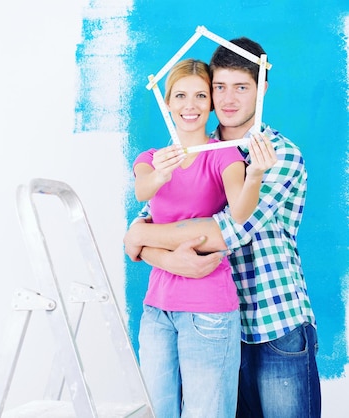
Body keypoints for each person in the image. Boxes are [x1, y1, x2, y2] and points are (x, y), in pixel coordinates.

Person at [124, 38, 321, 418]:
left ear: (262, 88)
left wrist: (139, 238)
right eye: (219, 87)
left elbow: (225, 230)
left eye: (242, 87)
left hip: (273, 325)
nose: (229, 99)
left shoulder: (280, 154)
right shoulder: (194, 150)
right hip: (209, 324)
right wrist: (150, 248)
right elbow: (152, 214)